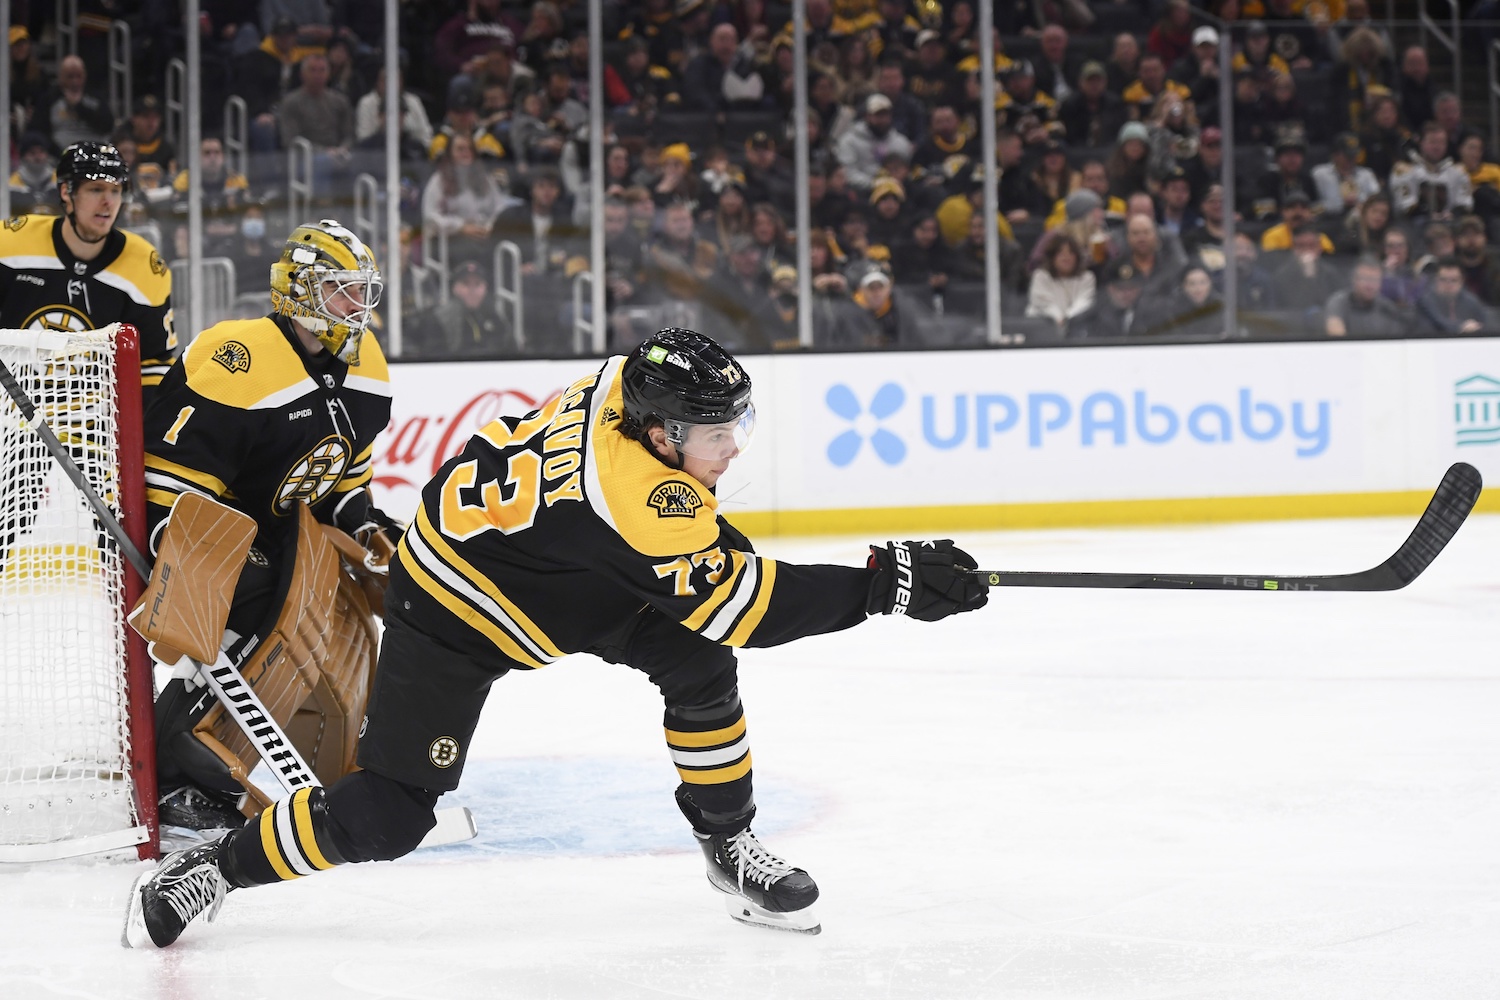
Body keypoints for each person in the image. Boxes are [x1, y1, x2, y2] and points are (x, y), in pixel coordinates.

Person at [122, 327, 990, 949]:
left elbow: (699, 565)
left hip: (558, 568)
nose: (733, 449)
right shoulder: (644, 500)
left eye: (738, 428)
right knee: (388, 814)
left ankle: (729, 847)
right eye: (718, 436)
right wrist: (888, 584)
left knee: (696, 660)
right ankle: (211, 874)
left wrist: (872, 574)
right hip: (455, 602)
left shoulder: (626, 380)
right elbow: (747, 605)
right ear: (662, 435)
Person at [139, 219, 399, 833]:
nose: (358, 304)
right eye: (342, 289)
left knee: (360, 599)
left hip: (280, 532)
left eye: (363, 290)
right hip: (199, 525)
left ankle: (343, 749)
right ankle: (178, 773)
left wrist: (367, 532)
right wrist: (195, 552)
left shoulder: (364, 369)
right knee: (266, 600)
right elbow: (168, 479)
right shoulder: (238, 354)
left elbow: (342, 487)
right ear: (301, 291)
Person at [0, 142, 176, 401]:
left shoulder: (143, 267)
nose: (108, 202)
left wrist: (137, 435)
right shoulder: (11, 243)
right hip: (9, 420)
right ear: (66, 192)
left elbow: (154, 363)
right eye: (96, 189)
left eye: (116, 191)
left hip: (95, 427)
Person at [414, 259, 520, 358]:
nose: (472, 290)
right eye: (466, 284)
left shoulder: (494, 316)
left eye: (477, 284)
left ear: (485, 288)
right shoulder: (439, 319)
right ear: (455, 288)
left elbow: (512, 350)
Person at [1025, 233, 1095, 331]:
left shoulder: (1087, 277)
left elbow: (1084, 302)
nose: (1066, 257)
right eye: (1061, 253)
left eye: (1071, 253)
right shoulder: (1040, 276)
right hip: (1043, 326)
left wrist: (1068, 319)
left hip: (1076, 326)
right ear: (1052, 257)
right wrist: (1058, 317)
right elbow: (1043, 303)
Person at [1324, 256, 1408, 337]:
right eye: (1365, 279)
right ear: (1354, 279)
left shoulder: (1386, 308)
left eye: (1374, 280)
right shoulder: (1338, 303)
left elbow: (1396, 341)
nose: (1370, 286)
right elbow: (1336, 338)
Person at [1417, 257, 1489, 333]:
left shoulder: (1470, 301)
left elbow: (1485, 321)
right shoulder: (1426, 300)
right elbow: (1438, 322)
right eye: (1443, 280)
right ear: (1435, 279)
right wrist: (1462, 327)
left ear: (1462, 281)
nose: (1448, 285)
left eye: (1454, 280)